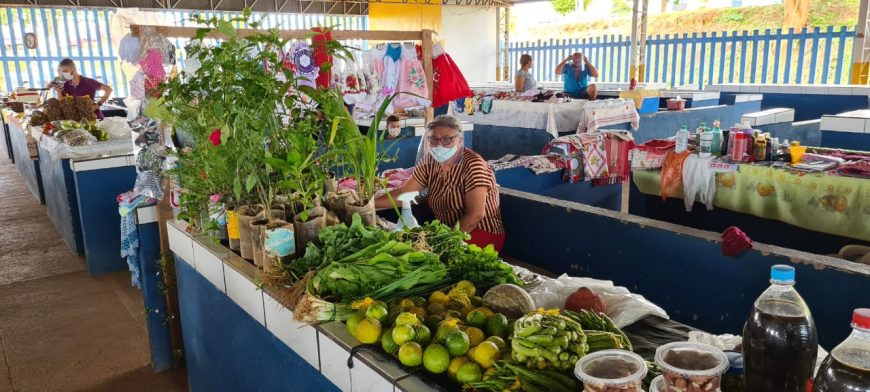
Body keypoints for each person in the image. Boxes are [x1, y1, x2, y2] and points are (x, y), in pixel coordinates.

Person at [375, 115, 505, 251]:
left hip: (477, 233)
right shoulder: (429, 161)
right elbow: (404, 192)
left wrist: (445, 243)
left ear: (460, 140)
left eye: (447, 139)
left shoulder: (473, 165)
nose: (439, 144)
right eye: (433, 139)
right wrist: (369, 204)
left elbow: (475, 215)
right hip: (445, 232)